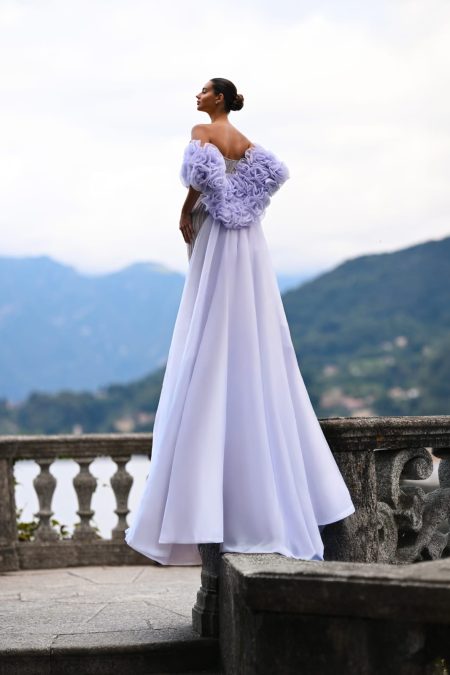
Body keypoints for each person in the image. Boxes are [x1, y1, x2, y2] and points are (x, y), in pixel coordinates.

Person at [125, 78, 355, 565]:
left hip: (215, 233)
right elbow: (271, 173)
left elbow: (201, 176)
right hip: (247, 240)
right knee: (250, 320)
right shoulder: (246, 143)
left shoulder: (203, 132)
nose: (198, 96)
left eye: (205, 90)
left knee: (209, 315)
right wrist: (239, 200)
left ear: (219, 99)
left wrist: (185, 212)